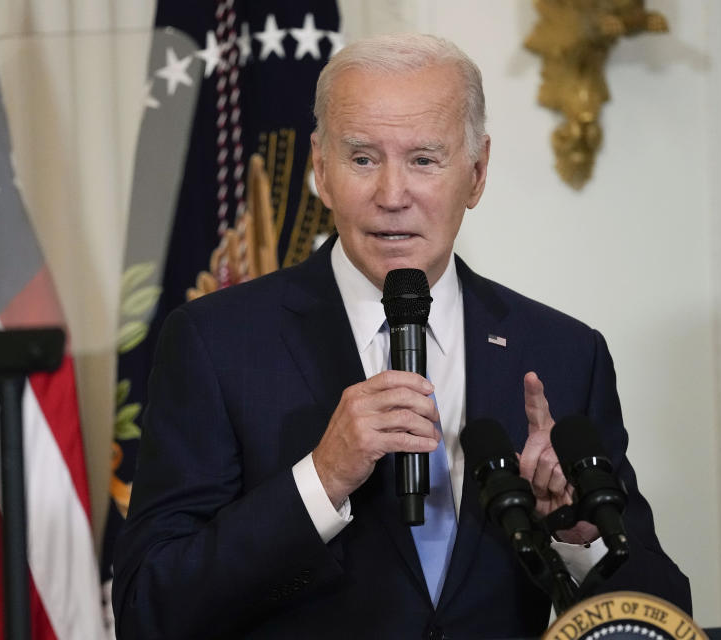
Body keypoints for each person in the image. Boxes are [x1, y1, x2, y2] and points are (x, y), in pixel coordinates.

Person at [112, 33, 690, 639]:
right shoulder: (216, 344)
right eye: (363, 159)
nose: (392, 196)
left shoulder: (564, 354)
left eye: (423, 160)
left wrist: (578, 536)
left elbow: (662, 614)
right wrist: (321, 479)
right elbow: (150, 607)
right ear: (321, 169)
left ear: (477, 172)